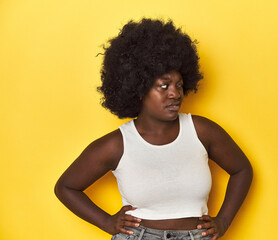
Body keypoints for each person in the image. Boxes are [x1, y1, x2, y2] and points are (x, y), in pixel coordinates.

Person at [55, 18, 253, 240]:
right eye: (164, 85)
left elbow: (242, 169)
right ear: (139, 88)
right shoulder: (117, 145)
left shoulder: (201, 131)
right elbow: (66, 187)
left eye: (179, 85)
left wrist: (223, 221)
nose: (175, 93)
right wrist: (106, 222)